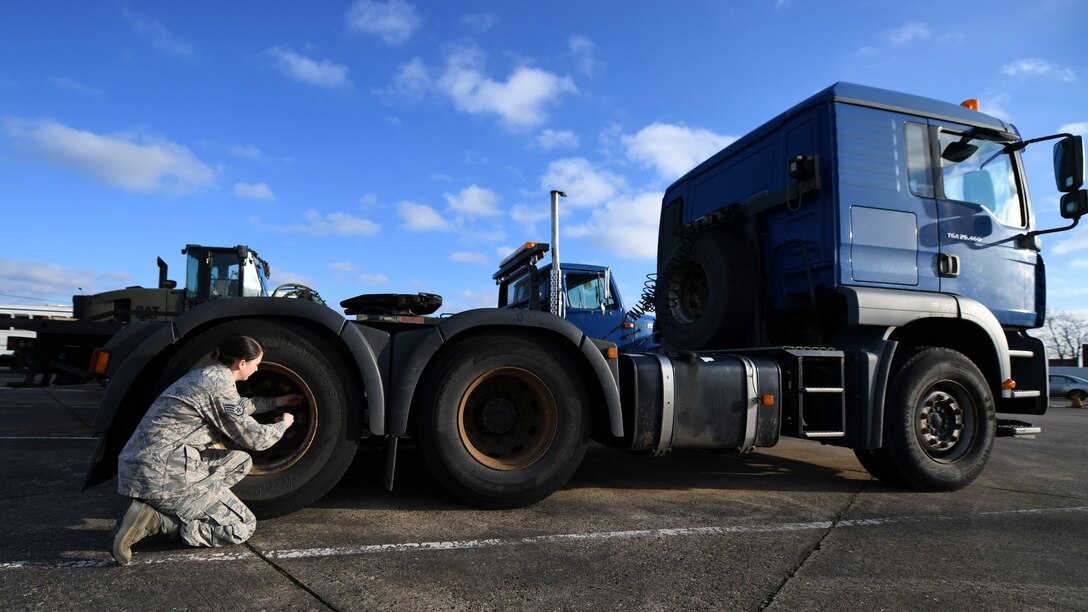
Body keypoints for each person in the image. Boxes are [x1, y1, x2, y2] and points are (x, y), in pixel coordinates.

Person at [110, 335, 302, 566]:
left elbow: (237, 407)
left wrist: (278, 401)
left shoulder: (207, 376)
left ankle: (175, 503)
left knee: (239, 461)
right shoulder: (218, 386)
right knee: (241, 526)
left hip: (150, 463)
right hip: (161, 472)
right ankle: (159, 521)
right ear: (242, 363)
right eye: (256, 364)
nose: (257, 368)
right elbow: (256, 439)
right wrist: (284, 424)